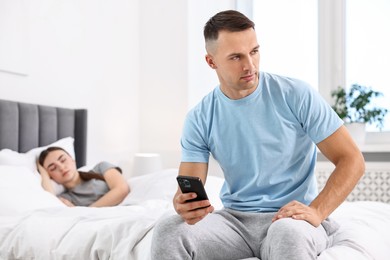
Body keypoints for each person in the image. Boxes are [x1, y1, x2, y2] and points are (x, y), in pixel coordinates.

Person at [151, 10, 365, 260]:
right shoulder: (200, 117)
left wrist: (317, 211)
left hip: (291, 218)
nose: (249, 65)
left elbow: (352, 160)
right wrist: (184, 204)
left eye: (254, 51)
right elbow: (189, 186)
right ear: (211, 62)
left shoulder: (296, 95)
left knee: (286, 234)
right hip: (234, 224)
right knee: (168, 230)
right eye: (236, 57)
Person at [37, 146, 130, 207]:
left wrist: (88, 211)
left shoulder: (101, 168)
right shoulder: (66, 199)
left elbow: (122, 189)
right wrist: (43, 173)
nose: (61, 167)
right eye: (53, 168)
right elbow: (51, 202)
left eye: (63, 160)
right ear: (51, 177)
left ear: (73, 160)